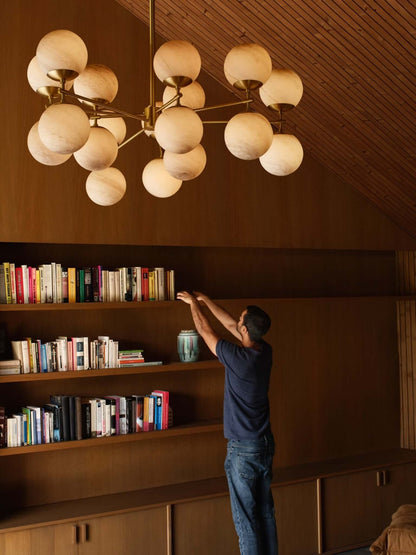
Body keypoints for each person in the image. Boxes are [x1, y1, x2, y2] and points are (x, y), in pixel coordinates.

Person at [177, 290, 278, 555]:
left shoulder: (237, 359)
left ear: (246, 329)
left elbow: (205, 330)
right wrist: (205, 300)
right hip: (264, 444)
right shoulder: (264, 351)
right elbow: (231, 325)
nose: (237, 321)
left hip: (243, 450)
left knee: (246, 521)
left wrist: (192, 306)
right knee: (265, 514)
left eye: (241, 319)